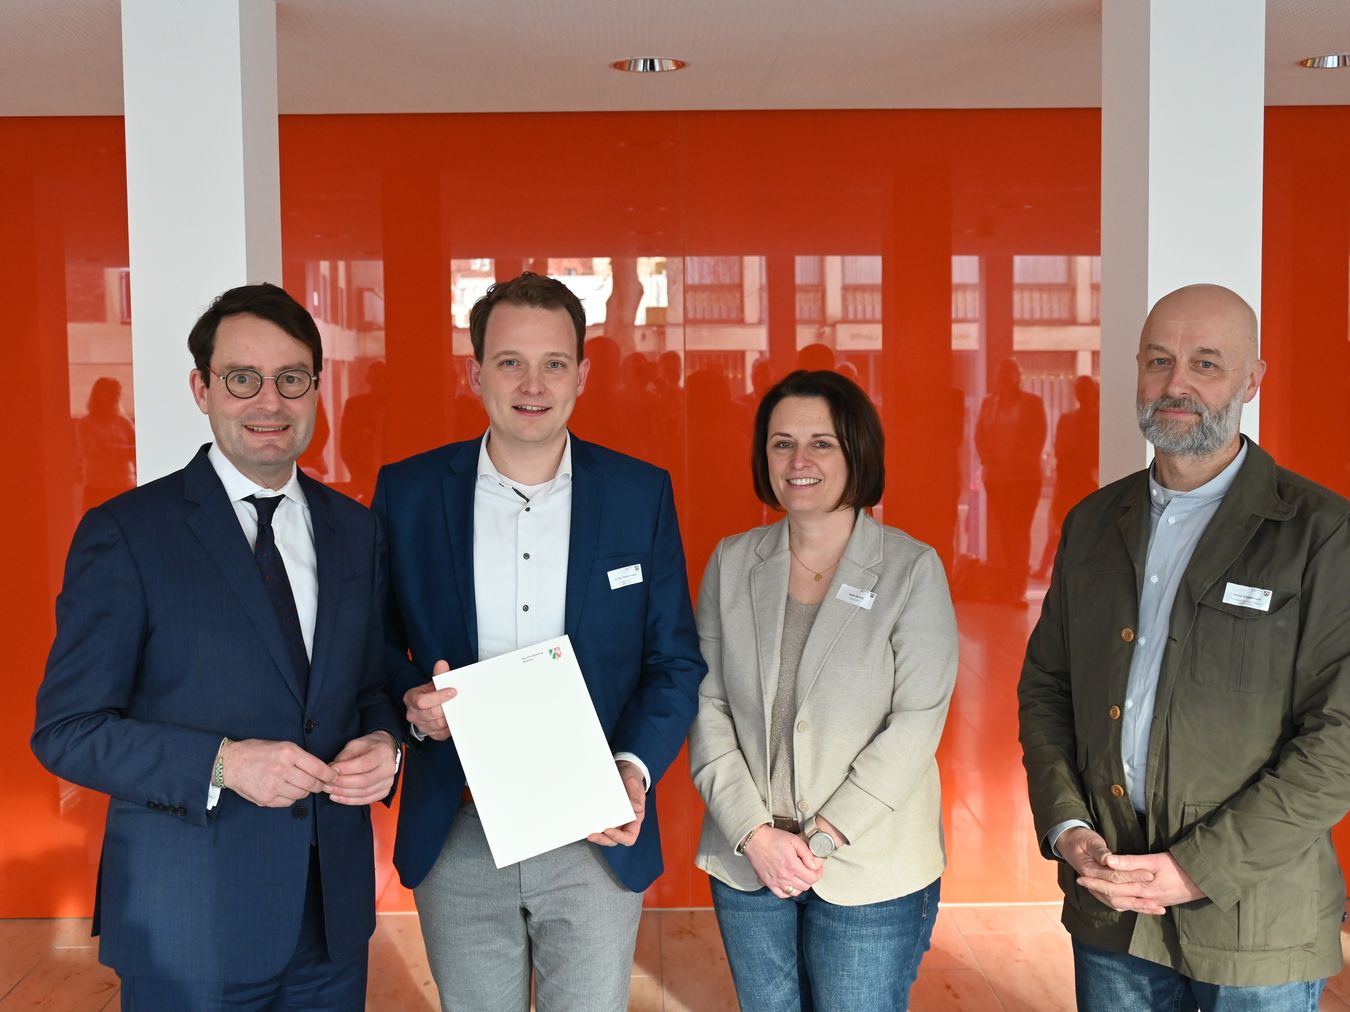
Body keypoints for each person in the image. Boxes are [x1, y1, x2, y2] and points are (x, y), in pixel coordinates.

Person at [31, 283, 402, 1009]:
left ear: (317, 389)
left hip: (331, 922)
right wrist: (225, 763)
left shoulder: (355, 530)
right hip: (186, 928)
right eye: (242, 378)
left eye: (292, 378)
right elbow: (67, 732)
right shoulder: (128, 533)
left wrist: (387, 742)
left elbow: (367, 685)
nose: (270, 401)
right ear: (202, 388)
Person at [372, 272, 705, 1011]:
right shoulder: (410, 493)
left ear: (582, 375)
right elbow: (372, 648)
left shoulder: (638, 493)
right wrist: (407, 698)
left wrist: (631, 769)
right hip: (457, 823)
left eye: (554, 362)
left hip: (592, 825)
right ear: (475, 371)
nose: (532, 383)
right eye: (509, 361)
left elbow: (674, 660)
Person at [1018, 284, 1350, 1009]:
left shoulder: (1321, 534)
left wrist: (1195, 867)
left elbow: (1339, 743)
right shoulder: (1093, 523)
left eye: (1207, 364)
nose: (1177, 384)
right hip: (1113, 911)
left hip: (1256, 924)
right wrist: (1067, 824)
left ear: (1253, 379)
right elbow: (1046, 686)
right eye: (1160, 361)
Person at [689, 369, 958, 1011]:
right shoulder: (731, 562)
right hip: (747, 859)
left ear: (856, 452)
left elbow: (917, 722)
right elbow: (706, 706)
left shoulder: (911, 569)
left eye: (822, 443)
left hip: (870, 865)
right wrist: (754, 834)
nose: (799, 460)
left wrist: (819, 842)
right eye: (782, 443)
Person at [974, 357, 1047, 605]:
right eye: (1000, 375)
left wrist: (1021, 458)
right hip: (996, 477)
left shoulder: (1032, 403)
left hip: (1026, 477)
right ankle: (1012, 585)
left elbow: (1039, 434)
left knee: (1020, 530)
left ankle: (1020, 586)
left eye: (1009, 374)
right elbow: (980, 435)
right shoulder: (988, 403)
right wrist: (987, 459)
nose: (1004, 380)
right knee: (1006, 531)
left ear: (1018, 377)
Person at [1034, 374, 1099, 579]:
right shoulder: (1068, 419)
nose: (1081, 395)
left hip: (1087, 478)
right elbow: (1060, 449)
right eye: (1079, 390)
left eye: (1085, 390)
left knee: (1084, 525)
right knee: (1060, 523)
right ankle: (1051, 566)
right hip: (1069, 477)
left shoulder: (1099, 419)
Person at [76, 376, 137, 510]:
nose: (115, 397)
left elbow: (138, 452)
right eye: (110, 392)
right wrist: (124, 452)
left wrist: (109, 448)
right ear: (97, 395)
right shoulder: (85, 424)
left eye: (117, 393)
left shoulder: (125, 422)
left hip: (126, 487)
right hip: (97, 489)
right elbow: (91, 456)